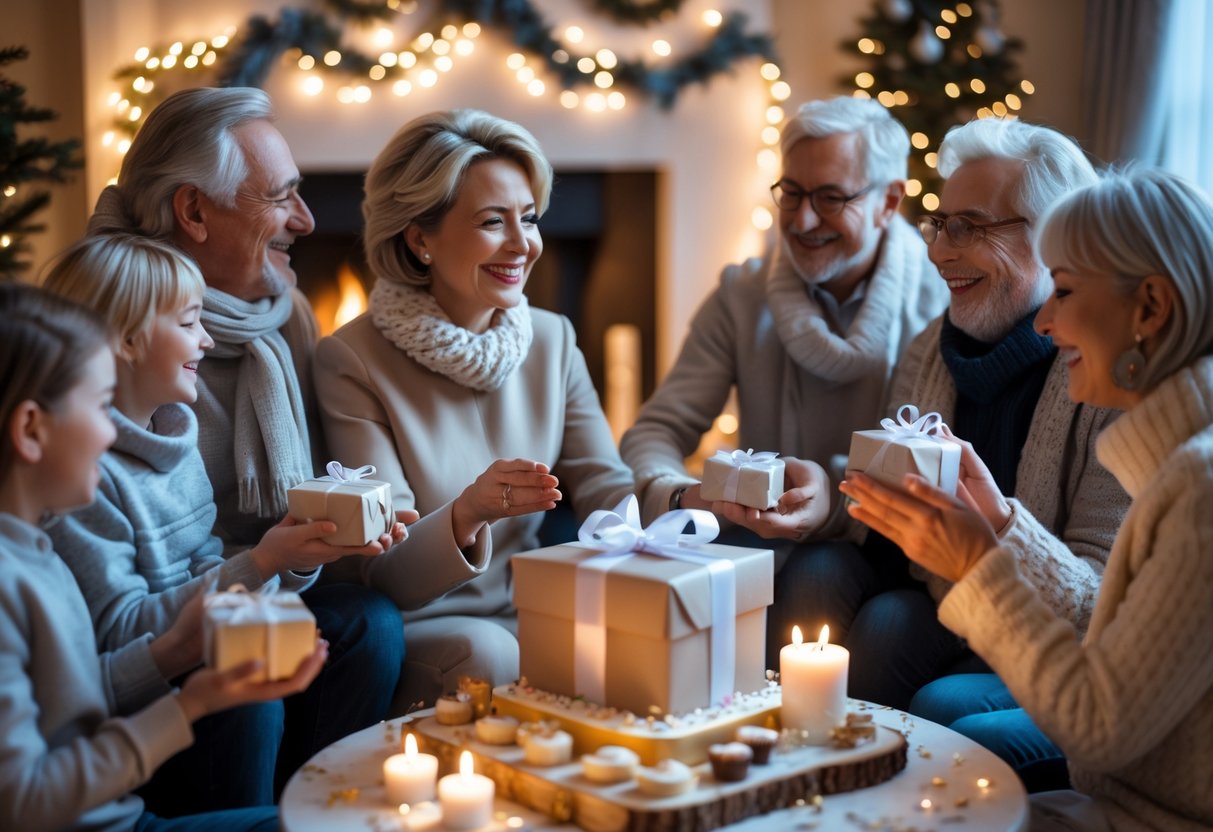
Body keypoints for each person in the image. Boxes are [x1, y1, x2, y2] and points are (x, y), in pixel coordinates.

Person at [842, 166, 1213, 831]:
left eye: (1064, 290)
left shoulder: (1199, 487)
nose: (1043, 322)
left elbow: (1099, 727)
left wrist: (981, 570)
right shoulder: (1175, 462)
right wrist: (1003, 526)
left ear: (1150, 308)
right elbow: (1112, 623)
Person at [82, 87, 406, 809]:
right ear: (193, 211)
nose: (307, 219)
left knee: (372, 627)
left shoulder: (282, 316)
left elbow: (301, 498)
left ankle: (324, 809)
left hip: (243, 585)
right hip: (159, 631)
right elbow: (109, 621)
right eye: (281, 196)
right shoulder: (101, 344)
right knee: (250, 684)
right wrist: (260, 568)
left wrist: (337, 530)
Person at [314, 109, 636, 708]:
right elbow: (388, 571)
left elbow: (605, 483)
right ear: (420, 239)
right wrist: (469, 511)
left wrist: (684, 511)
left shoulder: (553, 338)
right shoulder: (350, 360)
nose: (523, 245)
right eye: (493, 222)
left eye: (530, 219)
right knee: (494, 654)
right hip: (427, 623)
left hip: (535, 605)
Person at [617, 96, 948, 664]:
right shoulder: (742, 295)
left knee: (819, 575)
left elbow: (933, 472)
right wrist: (679, 494)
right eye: (792, 193)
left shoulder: (940, 298)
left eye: (831, 197)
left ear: (889, 201)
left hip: (887, 543)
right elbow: (656, 432)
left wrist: (834, 503)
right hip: (756, 533)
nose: (803, 220)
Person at [0, 281, 329, 832]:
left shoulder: (36, 548)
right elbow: (23, 802)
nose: (113, 435)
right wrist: (188, 706)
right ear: (32, 430)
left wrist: (175, 649)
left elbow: (72, 702)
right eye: (103, 407)